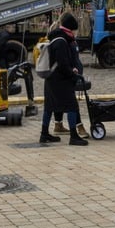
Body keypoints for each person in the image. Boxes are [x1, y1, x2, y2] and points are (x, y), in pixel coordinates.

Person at [40, 12, 89, 146]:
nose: (74, 33)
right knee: (72, 106)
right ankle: (74, 136)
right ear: (70, 28)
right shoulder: (62, 42)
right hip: (60, 81)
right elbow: (63, 64)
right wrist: (72, 73)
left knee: (49, 107)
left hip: (50, 79)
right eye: (74, 30)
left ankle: (44, 134)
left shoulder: (55, 38)